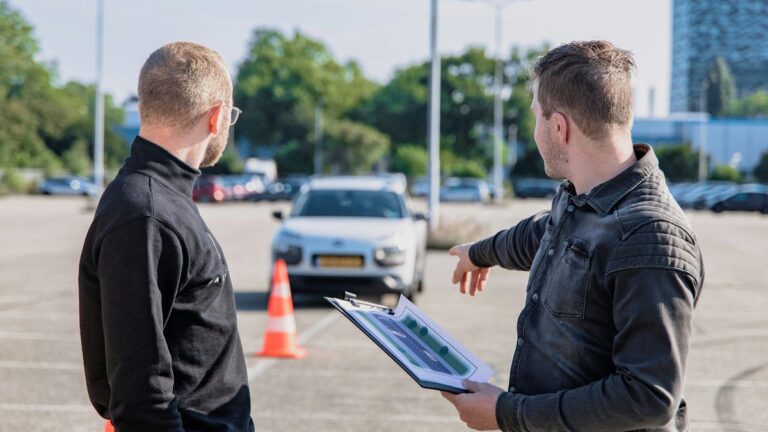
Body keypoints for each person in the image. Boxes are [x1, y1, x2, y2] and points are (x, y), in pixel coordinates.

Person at [442, 41, 704, 431]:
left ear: (559, 127)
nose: (535, 130)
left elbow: (649, 397)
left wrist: (507, 414)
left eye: (536, 117)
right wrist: (480, 252)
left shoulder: (650, 238)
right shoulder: (582, 197)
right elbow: (543, 233)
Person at [78, 42, 253, 432]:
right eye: (232, 116)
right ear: (217, 117)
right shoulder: (146, 213)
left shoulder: (160, 200)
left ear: (143, 108)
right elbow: (140, 393)